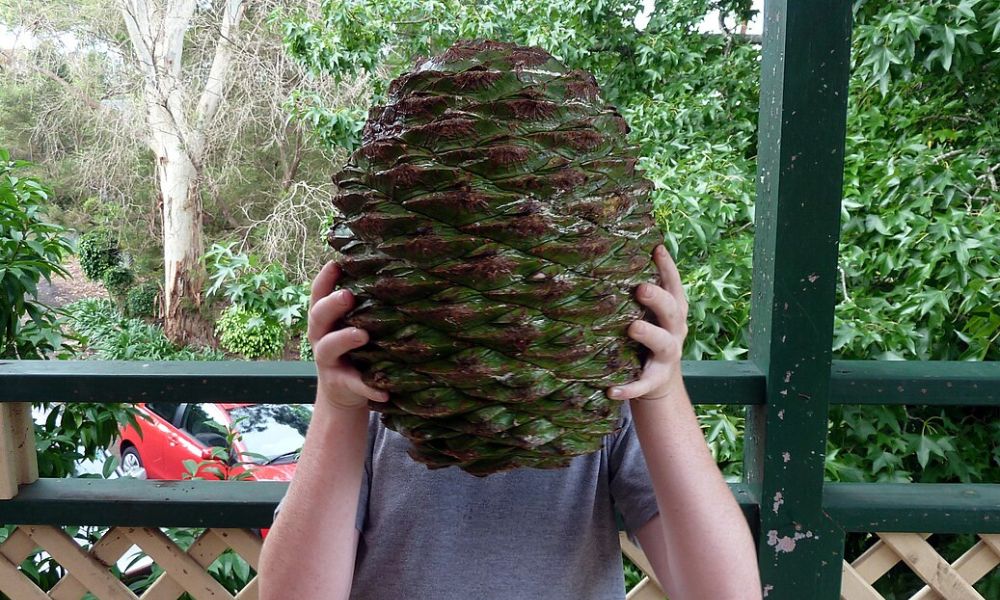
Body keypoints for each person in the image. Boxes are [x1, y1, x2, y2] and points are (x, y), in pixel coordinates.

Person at [259, 245, 762, 599]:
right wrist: (338, 406)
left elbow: (725, 593)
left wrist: (663, 390)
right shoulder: (374, 409)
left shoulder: (607, 404)